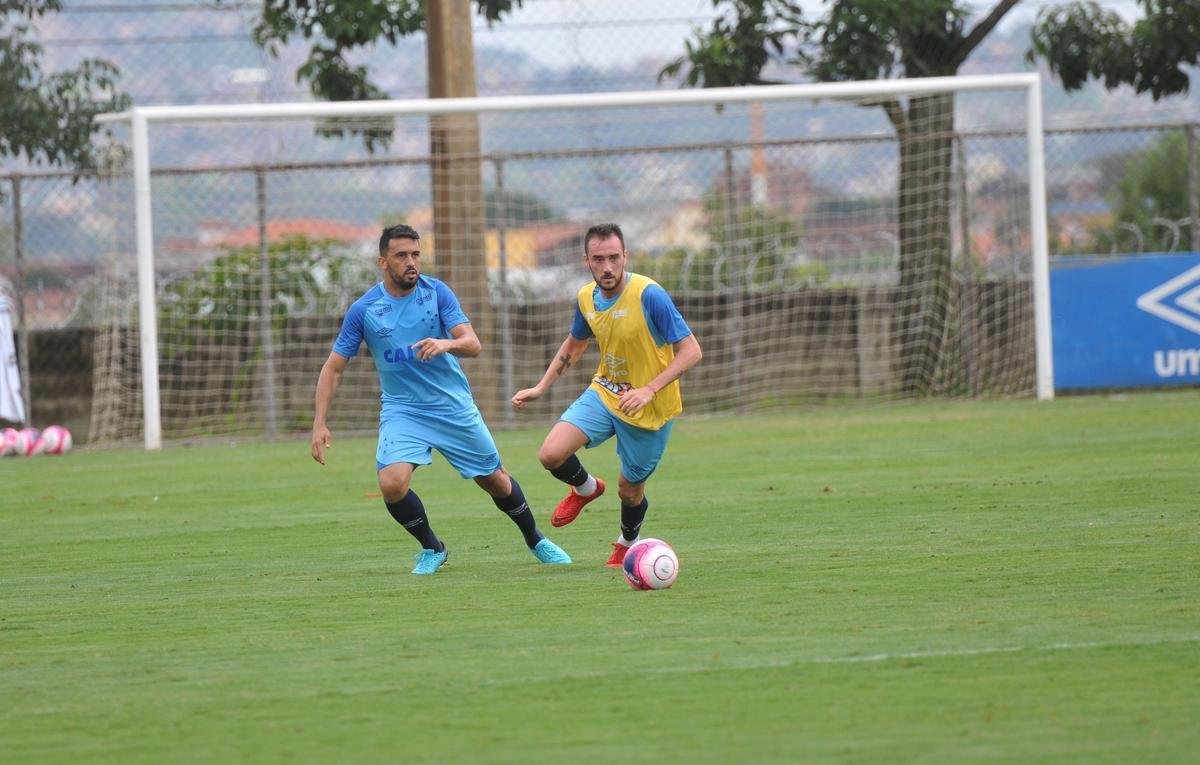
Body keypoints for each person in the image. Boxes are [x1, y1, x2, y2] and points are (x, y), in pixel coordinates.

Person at [312, 224, 571, 575]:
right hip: (403, 409)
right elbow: (333, 368)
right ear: (383, 262)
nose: (411, 262)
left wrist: (446, 343)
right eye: (401, 255)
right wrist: (320, 423)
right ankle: (433, 548)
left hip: (451, 405)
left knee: (494, 479)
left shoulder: (437, 294)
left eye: (416, 254)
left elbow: (473, 343)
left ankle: (536, 539)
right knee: (392, 483)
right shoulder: (365, 309)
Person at [512, 222, 702, 566]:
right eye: (599, 259)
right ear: (587, 260)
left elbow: (691, 351)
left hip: (650, 408)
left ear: (625, 256)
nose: (608, 267)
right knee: (551, 454)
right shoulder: (587, 297)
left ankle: (628, 541)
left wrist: (648, 389)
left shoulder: (650, 295)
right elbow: (575, 342)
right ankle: (585, 488)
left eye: (614, 257)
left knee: (629, 491)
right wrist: (541, 386)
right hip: (605, 392)